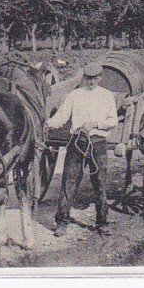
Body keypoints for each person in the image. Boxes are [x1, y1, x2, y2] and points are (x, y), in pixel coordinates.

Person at [47, 62, 118, 236]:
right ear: (84, 78)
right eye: (89, 78)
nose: (92, 82)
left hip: (98, 144)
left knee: (99, 184)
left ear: (100, 78)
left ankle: (102, 222)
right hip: (77, 143)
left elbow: (113, 121)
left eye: (95, 79)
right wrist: (48, 124)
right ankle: (62, 222)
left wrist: (95, 124)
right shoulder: (75, 95)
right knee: (68, 183)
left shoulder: (107, 96)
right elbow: (62, 117)